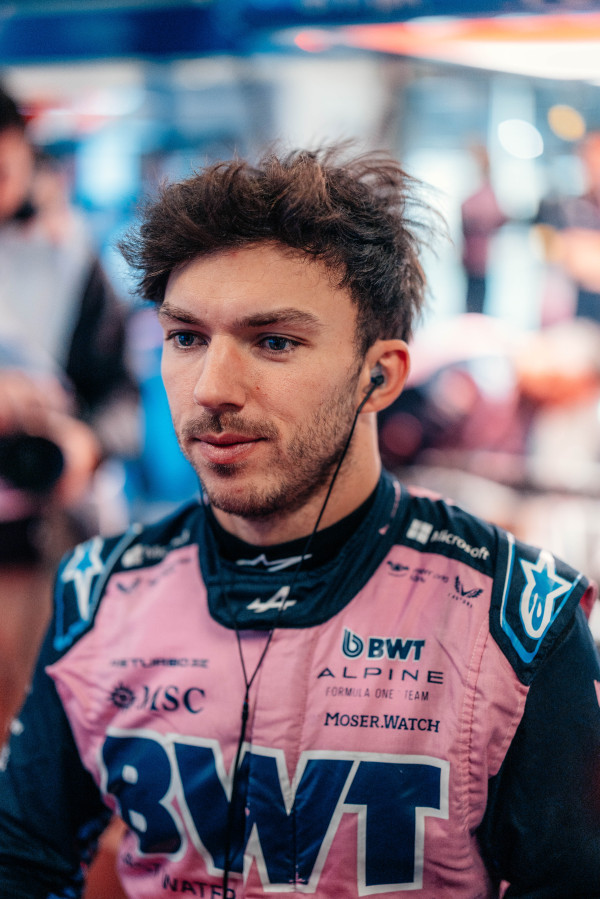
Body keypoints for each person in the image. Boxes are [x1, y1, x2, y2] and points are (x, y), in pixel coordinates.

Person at [0, 144, 599, 899]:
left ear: (379, 375)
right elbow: (22, 861)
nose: (212, 387)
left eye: (274, 341)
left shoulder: (517, 619)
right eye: (187, 337)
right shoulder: (99, 593)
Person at [0, 85, 140, 520]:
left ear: (27, 156)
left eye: (1, 175)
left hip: (53, 518)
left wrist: (87, 443)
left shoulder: (69, 257)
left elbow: (122, 400)